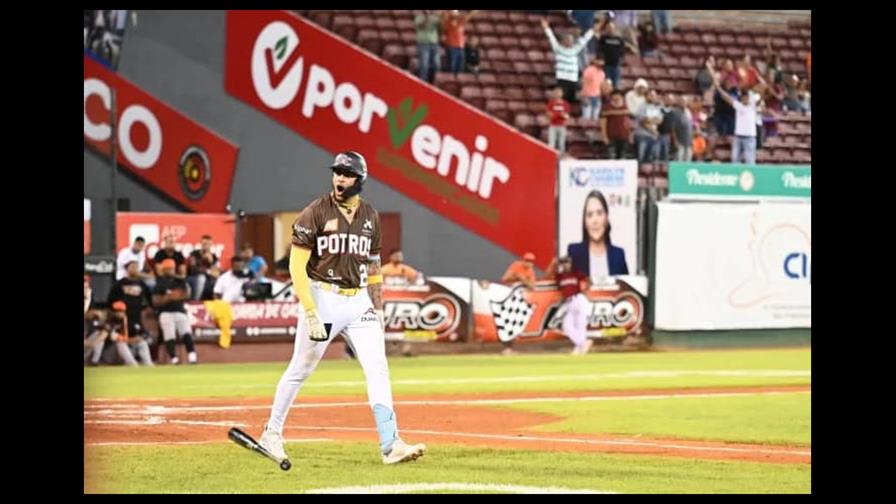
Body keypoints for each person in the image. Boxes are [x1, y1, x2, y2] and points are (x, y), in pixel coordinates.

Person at [259, 151, 426, 466]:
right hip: (323, 298)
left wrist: (377, 309)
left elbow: (374, 266)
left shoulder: (370, 216)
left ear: (359, 180)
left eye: (346, 174)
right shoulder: (316, 212)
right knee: (300, 369)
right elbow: (297, 267)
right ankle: (271, 433)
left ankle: (390, 444)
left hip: (359, 300)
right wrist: (309, 311)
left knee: (378, 368)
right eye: (337, 172)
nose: (339, 179)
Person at [567, 190, 628, 283]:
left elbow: (626, 294)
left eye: (599, 213)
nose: (595, 221)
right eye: (589, 215)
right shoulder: (574, 253)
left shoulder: (618, 255)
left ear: (606, 218)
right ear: (585, 222)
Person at [541, 17, 598, 105]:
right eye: (568, 40)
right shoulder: (558, 49)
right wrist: (546, 28)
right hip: (562, 79)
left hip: (573, 80)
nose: (571, 42)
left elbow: (585, 39)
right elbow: (551, 38)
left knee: (585, 99)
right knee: (557, 94)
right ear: (563, 41)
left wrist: (593, 30)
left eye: (571, 40)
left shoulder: (575, 49)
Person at [152, 258, 198, 365]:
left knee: (186, 333)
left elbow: (187, 294)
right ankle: (174, 358)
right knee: (169, 336)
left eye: (172, 268)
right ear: (163, 270)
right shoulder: (160, 283)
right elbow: (155, 301)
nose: (170, 271)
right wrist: (168, 298)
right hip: (166, 312)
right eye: (168, 269)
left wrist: (177, 296)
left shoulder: (180, 281)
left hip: (180, 311)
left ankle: (192, 357)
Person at [712, 71, 759, 165]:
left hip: (749, 137)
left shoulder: (752, 106)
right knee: (735, 159)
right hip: (738, 136)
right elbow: (727, 97)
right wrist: (718, 88)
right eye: (743, 98)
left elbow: (759, 89)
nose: (744, 99)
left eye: (746, 97)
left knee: (750, 160)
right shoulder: (738, 106)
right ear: (741, 98)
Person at [107, 260, 154, 350]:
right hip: (123, 316)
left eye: (136, 267)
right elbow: (111, 300)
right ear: (127, 269)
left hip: (137, 315)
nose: (135, 269)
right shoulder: (120, 283)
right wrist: (115, 312)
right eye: (132, 267)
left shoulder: (142, 284)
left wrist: (147, 308)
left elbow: (149, 299)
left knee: (142, 339)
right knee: (124, 338)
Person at [554, 257, 593, 355]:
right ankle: (582, 343)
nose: (566, 265)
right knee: (567, 326)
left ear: (571, 263)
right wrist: (555, 264)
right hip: (569, 302)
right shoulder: (559, 276)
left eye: (567, 262)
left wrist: (585, 290)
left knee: (580, 325)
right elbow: (552, 276)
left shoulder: (576, 273)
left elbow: (589, 280)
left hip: (578, 298)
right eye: (563, 263)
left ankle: (579, 347)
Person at [441, 10, 477, 75]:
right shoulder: (448, 23)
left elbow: (469, 16)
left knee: (460, 66)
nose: (455, 16)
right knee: (452, 67)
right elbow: (444, 17)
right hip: (452, 47)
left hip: (461, 47)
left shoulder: (460, 22)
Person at [600, 89, 632, 159]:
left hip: (624, 137)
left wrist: (629, 134)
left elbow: (627, 122)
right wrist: (604, 136)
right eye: (615, 96)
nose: (617, 98)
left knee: (623, 158)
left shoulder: (625, 107)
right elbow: (603, 123)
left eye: (619, 96)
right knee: (612, 158)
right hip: (611, 137)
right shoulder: (606, 107)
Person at [187, 235, 219, 300]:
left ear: (211, 245)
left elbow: (216, 274)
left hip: (209, 279)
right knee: (202, 278)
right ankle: (195, 302)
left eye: (208, 244)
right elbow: (193, 270)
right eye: (204, 244)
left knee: (217, 281)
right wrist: (208, 271)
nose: (206, 246)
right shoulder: (194, 254)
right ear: (201, 244)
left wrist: (211, 262)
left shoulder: (214, 257)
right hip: (194, 278)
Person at [414, 10, 442, 83]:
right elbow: (422, 26)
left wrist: (441, 17)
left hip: (434, 43)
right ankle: (423, 82)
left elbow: (441, 28)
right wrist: (427, 17)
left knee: (436, 64)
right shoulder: (419, 17)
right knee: (424, 65)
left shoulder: (435, 18)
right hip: (423, 44)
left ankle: (435, 81)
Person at [580, 55, 606, 124]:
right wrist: (584, 95)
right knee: (586, 116)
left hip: (597, 95)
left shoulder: (602, 73)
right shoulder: (589, 70)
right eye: (599, 60)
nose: (601, 63)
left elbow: (601, 85)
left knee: (595, 117)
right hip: (587, 94)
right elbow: (584, 82)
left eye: (602, 61)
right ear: (595, 61)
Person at [546, 86, 571, 153]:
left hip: (562, 126)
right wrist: (559, 114)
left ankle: (561, 157)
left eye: (559, 92)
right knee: (551, 143)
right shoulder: (551, 103)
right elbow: (549, 115)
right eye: (556, 92)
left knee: (561, 144)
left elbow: (567, 116)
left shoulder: (566, 104)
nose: (558, 94)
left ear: (562, 94)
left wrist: (557, 114)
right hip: (553, 125)